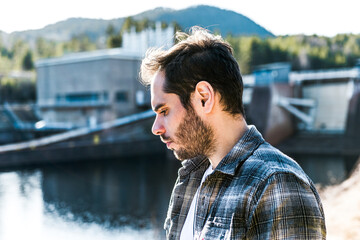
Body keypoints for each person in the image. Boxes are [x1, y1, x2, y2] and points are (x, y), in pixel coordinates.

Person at [140, 27, 326, 240]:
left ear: (204, 97)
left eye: (164, 111)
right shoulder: (191, 178)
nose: (156, 128)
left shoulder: (277, 184)